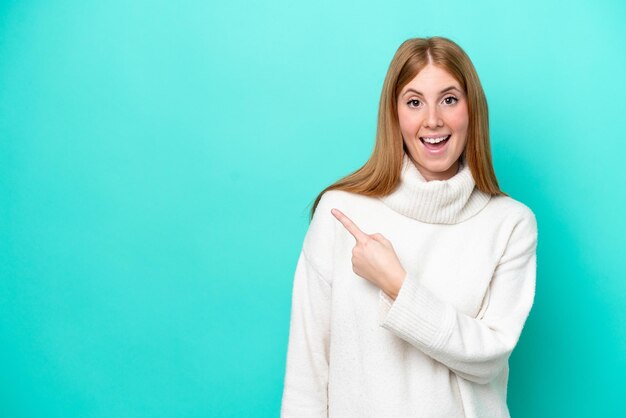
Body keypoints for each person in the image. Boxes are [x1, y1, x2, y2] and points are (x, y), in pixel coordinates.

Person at [280, 36, 538, 418]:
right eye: (414, 102)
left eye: (449, 99)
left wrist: (397, 285)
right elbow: (307, 373)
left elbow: (489, 357)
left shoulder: (510, 223)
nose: (432, 119)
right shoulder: (342, 212)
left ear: (472, 110)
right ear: (395, 115)